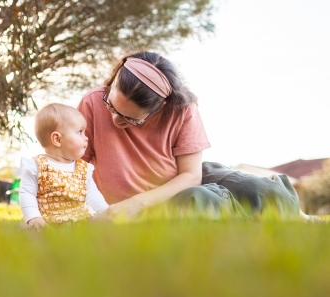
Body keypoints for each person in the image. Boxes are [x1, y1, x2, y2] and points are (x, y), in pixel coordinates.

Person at [77, 51, 310, 221]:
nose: (116, 121)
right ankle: (251, 220)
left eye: (131, 119)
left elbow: (191, 174)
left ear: (160, 107)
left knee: (258, 189)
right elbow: (75, 168)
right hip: (173, 197)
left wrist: (137, 203)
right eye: (111, 107)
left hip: (181, 179)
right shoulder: (92, 102)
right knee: (202, 199)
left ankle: (301, 218)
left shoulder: (183, 110)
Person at [19, 103, 109, 229]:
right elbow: (27, 193)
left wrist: (106, 212)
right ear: (57, 139)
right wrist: (33, 217)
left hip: (80, 220)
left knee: (102, 222)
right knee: (27, 229)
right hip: (47, 221)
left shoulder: (83, 169)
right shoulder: (37, 166)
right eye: (80, 132)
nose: (86, 138)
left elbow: (92, 195)